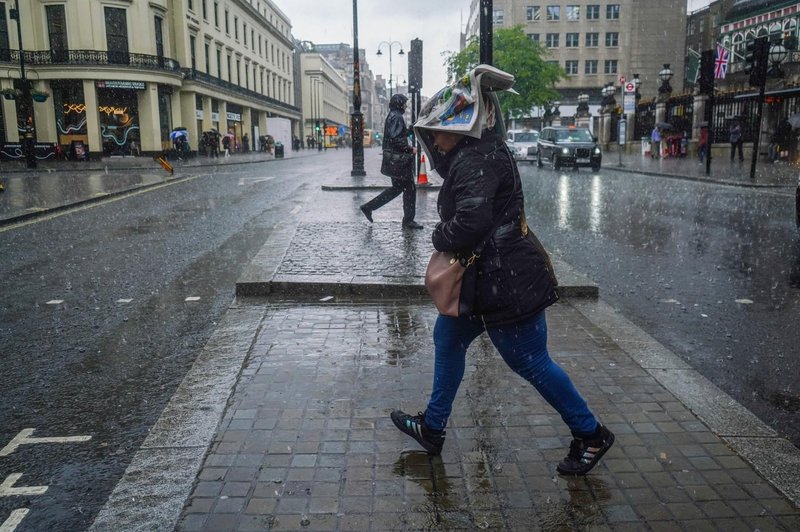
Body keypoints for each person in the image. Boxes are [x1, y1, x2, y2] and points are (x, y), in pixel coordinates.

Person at [390, 65, 614, 476]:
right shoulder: (480, 153)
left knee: (530, 360)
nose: (435, 140)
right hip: (487, 278)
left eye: (438, 131)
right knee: (448, 336)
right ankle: (433, 427)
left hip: (504, 281)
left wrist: (440, 236)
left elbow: (471, 223)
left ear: (457, 131)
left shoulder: (475, 159)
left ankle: (591, 433)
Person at [360, 93, 423, 230]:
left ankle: (368, 207)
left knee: (397, 189)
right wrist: (409, 149)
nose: (406, 106)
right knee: (409, 189)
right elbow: (396, 139)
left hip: (395, 161)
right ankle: (408, 221)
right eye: (404, 103)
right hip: (399, 161)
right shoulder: (397, 117)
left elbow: (397, 134)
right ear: (399, 103)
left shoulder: (393, 116)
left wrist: (410, 130)